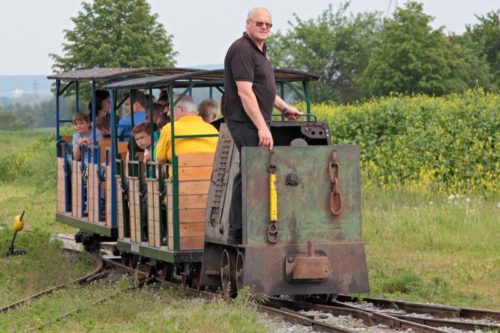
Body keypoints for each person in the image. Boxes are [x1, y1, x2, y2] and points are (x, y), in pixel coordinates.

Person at [223, 7, 303, 243]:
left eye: (268, 25)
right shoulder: (242, 50)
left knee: (251, 171)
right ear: (248, 23)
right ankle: (239, 231)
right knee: (253, 171)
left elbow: (263, 91)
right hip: (244, 121)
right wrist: (261, 126)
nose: (264, 28)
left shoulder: (259, 52)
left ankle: (245, 227)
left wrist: (284, 108)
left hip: (253, 121)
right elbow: (245, 93)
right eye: (260, 23)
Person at [156, 94, 218, 165]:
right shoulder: (212, 129)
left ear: (181, 109)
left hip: (179, 175)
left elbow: (160, 160)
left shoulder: (169, 128)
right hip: (210, 175)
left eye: (170, 110)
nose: (168, 114)